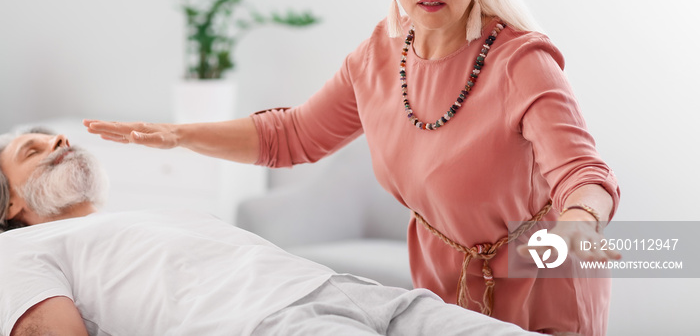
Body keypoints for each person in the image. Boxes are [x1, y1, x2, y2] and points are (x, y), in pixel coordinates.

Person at [84, 0, 621, 335]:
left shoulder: (521, 61)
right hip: (441, 287)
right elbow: (290, 137)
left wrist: (578, 226)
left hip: (542, 277)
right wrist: (182, 136)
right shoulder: (378, 57)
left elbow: (582, 173)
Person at [0, 129, 539, 336]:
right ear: (12, 205)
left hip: (363, 295)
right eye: (33, 150)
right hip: (269, 323)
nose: (59, 143)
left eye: (57, 138)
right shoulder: (16, 248)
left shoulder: (145, 218)